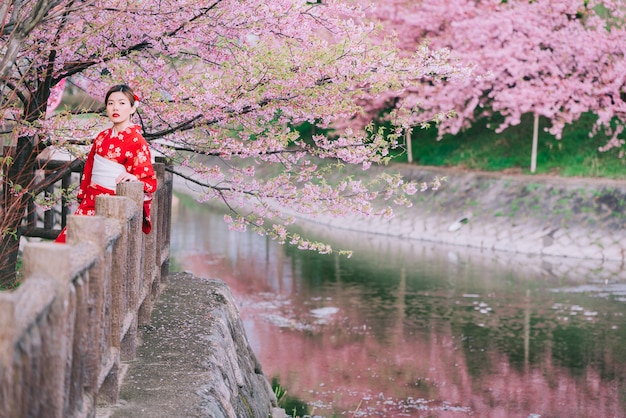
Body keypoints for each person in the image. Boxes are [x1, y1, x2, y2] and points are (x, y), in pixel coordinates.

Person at [55, 84, 157, 243]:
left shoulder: (137, 141)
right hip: (91, 201)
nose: (115, 107)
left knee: (95, 249)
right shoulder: (101, 137)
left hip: (114, 205)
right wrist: (83, 196)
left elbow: (149, 181)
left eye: (122, 103)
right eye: (111, 103)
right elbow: (89, 169)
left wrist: (134, 179)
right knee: (67, 243)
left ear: (132, 109)